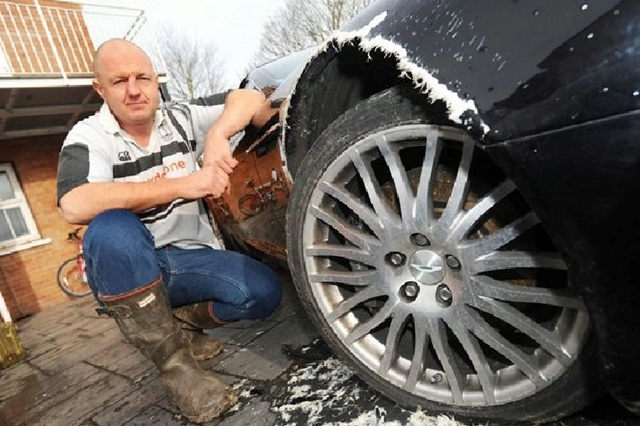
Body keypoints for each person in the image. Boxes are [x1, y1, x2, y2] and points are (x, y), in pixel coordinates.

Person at [56, 38, 282, 424]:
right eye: (119, 81)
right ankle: (178, 370)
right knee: (110, 229)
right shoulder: (88, 136)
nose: (133, 90)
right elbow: (74, 203)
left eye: (142, 77)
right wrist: (182, 185)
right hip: (132, 266)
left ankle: (182, 322)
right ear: (100, 89)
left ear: (155, 79)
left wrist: (216, 135)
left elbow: (252, 99)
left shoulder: (179, 116)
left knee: (263, 293)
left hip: (191, 259)